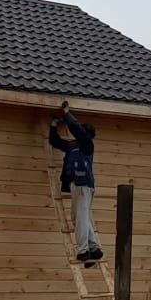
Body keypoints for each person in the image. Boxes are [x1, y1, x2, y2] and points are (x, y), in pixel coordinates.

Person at [48, 101, 102, 266]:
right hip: (76, 185)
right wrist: (54, 125)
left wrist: (67, 113)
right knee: (80, 217)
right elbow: (55, 141)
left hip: (83, 184)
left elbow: (76, 129)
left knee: (80, 218)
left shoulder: (87, 145)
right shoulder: (72, 146)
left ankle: (83, 251)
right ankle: (94, 249)